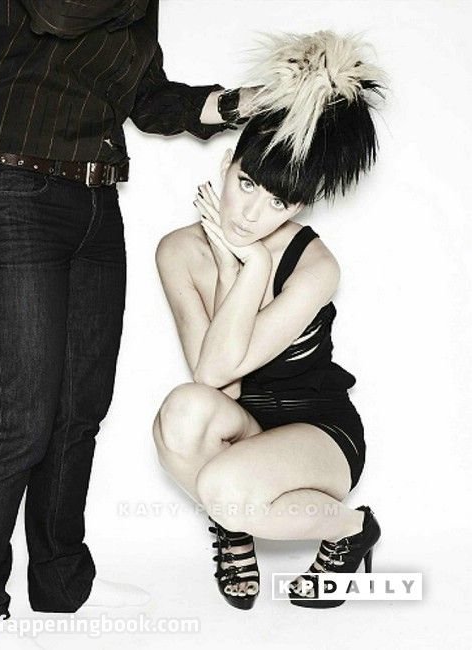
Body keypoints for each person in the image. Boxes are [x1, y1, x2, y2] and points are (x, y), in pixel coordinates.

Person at [0, 0, 259, 633]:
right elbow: (58, 14)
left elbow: (148, 97)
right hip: (12, 187)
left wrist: (239, 103)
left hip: (96, 200)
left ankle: (61, 584)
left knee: (79, 410)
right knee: (17, 417)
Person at [153, 30, 388, 609]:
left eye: (277, 203)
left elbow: (225, 367)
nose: (250, 214)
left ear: (298, 206)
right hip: (244, 426)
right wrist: (232, 264)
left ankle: (351, 528)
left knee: (224, 487)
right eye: (246, 184)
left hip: (319, 435)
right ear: (227, 163)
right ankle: (234, 525)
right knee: (182, 412)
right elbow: (218, 381)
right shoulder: (178, 251)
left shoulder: (315, 265)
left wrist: (254, 262)